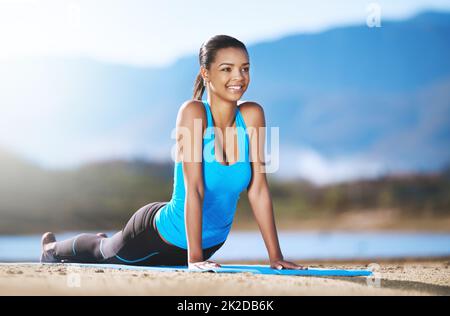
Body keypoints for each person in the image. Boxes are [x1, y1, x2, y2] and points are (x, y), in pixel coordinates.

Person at [40, 34, 307, 271]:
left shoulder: (252, 115)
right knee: (103, 252)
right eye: (227, 69)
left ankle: (107, 240)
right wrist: (194, 259)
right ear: (206, 73)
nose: (239, 77)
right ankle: (51, 249)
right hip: (158, 236)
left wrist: (276, 257)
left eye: (244, 69)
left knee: (109, 247)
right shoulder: (193, 113)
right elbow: (195, 189)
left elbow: (258, 188)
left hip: (210, 243)